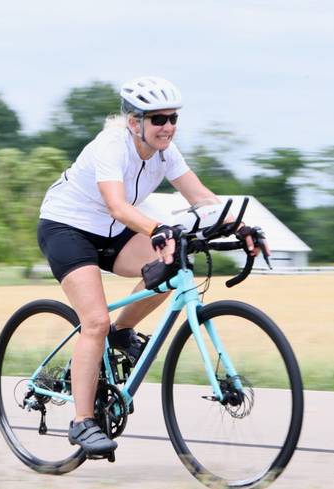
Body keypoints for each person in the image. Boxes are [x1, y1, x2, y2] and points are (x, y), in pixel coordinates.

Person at [37, 76, 263, 456]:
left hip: (113, 232)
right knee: (94, 322)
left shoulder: (166, 152)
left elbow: (201, 197)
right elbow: (117, 206)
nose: (168, 127)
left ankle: (123, 332)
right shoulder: (112, 146)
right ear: (134, 122)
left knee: (173, 266)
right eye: (158, 119)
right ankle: (81, 422)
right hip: (67, 228)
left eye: (173, 118)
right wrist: (158, 228)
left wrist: (239, 226)